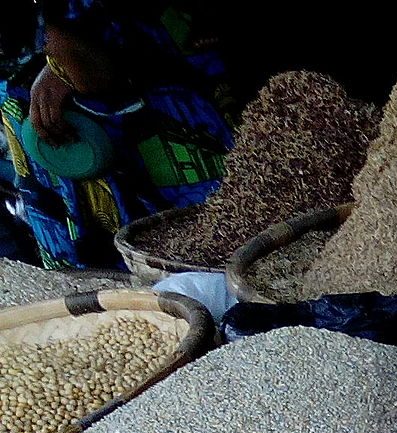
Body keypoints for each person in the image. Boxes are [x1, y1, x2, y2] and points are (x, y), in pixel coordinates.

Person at [1, 2, 233, 269]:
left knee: (216, 244)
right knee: (99, 275)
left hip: (146, 74)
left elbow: (91, 64)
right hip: (52, 118)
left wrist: (59, 55)